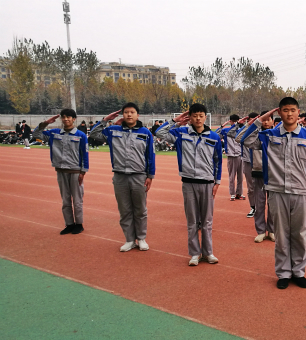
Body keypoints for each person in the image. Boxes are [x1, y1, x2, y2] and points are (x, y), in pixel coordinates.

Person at [240, 97, 306, 290]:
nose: (289, 114)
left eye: (293, 110)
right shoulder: (269, 136)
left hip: (301, 193)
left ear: (298, 112)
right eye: (285, 110)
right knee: (281, 235)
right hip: (277, 192)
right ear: (279, 112)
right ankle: (284, 272)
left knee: (300, 234)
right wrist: (260, 120)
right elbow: (243, 139)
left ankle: (299, 272)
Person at [154, 104, 221, 266]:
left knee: (207, 221)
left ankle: (208, 252)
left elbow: (218, 160)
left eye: (201, 115)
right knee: (192, 221)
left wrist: (217, 182)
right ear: (190, 117)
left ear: (205, 117)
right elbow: (159, 132)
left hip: (207, 183)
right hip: (188, 182)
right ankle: (194, 253)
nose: (198, 119)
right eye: (195, 115)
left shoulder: (214, 137)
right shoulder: (181, 133)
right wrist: (175, 121)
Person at [90, 102, 155, 252]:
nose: (129, 115)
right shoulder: (113, 131)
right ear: (123, 115)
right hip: (120, 176)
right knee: (125, 210)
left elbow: (150, 155)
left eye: (132, 112)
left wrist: (150, 175)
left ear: (138, 115)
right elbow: (93, 134)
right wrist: (105, 120)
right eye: (126, 112)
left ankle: (141, 238)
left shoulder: (145, 133)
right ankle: (129, 240)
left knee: (140, 210)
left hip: (139, 176)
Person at [32, 109, 89, 235]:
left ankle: (79, 224)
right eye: (63, 117)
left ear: (74, 119)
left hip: (75, 171)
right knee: (65, 200)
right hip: (61, 171)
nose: (66, 119)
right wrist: (45, 123)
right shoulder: (54, 133)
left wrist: (83, 172)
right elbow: (36, 134)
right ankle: (69, 224)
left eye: (68, 117)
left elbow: (85, 153)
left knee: (77, 200)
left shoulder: (81, 135)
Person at [236, 110, 276, 242]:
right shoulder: (255, 136)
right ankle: (260, 231)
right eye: (263, 119)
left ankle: (271, 230)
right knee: (259, 204)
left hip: (273, 175)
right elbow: (239, 138)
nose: (266, 122)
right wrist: (251, 124)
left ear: (273, 121)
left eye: (268, 119)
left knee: (273, 205)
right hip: (258, 174)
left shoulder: (276, 135)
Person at [219, 115, 245, 201]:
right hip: (231, 156)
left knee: (240, 177)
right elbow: (217, 136)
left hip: (241, 155)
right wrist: (221, 127)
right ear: (230, 121)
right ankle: (232, 193)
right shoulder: (226, 131)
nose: (235, 123)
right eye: (233, 121)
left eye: (236, 121)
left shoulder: (241, 131)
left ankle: (239, 193)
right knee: (232, 176)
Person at [239, 113, 259, 217]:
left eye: (255, 120)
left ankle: (263, 207)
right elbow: (236, 137)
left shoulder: (261, 131)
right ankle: (253, 207)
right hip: (247, 162)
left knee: (264, 187)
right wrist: (246, 125)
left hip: (260, 163)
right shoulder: (244, 132)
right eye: (251, 120)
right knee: (251, 187)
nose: (252, 122)